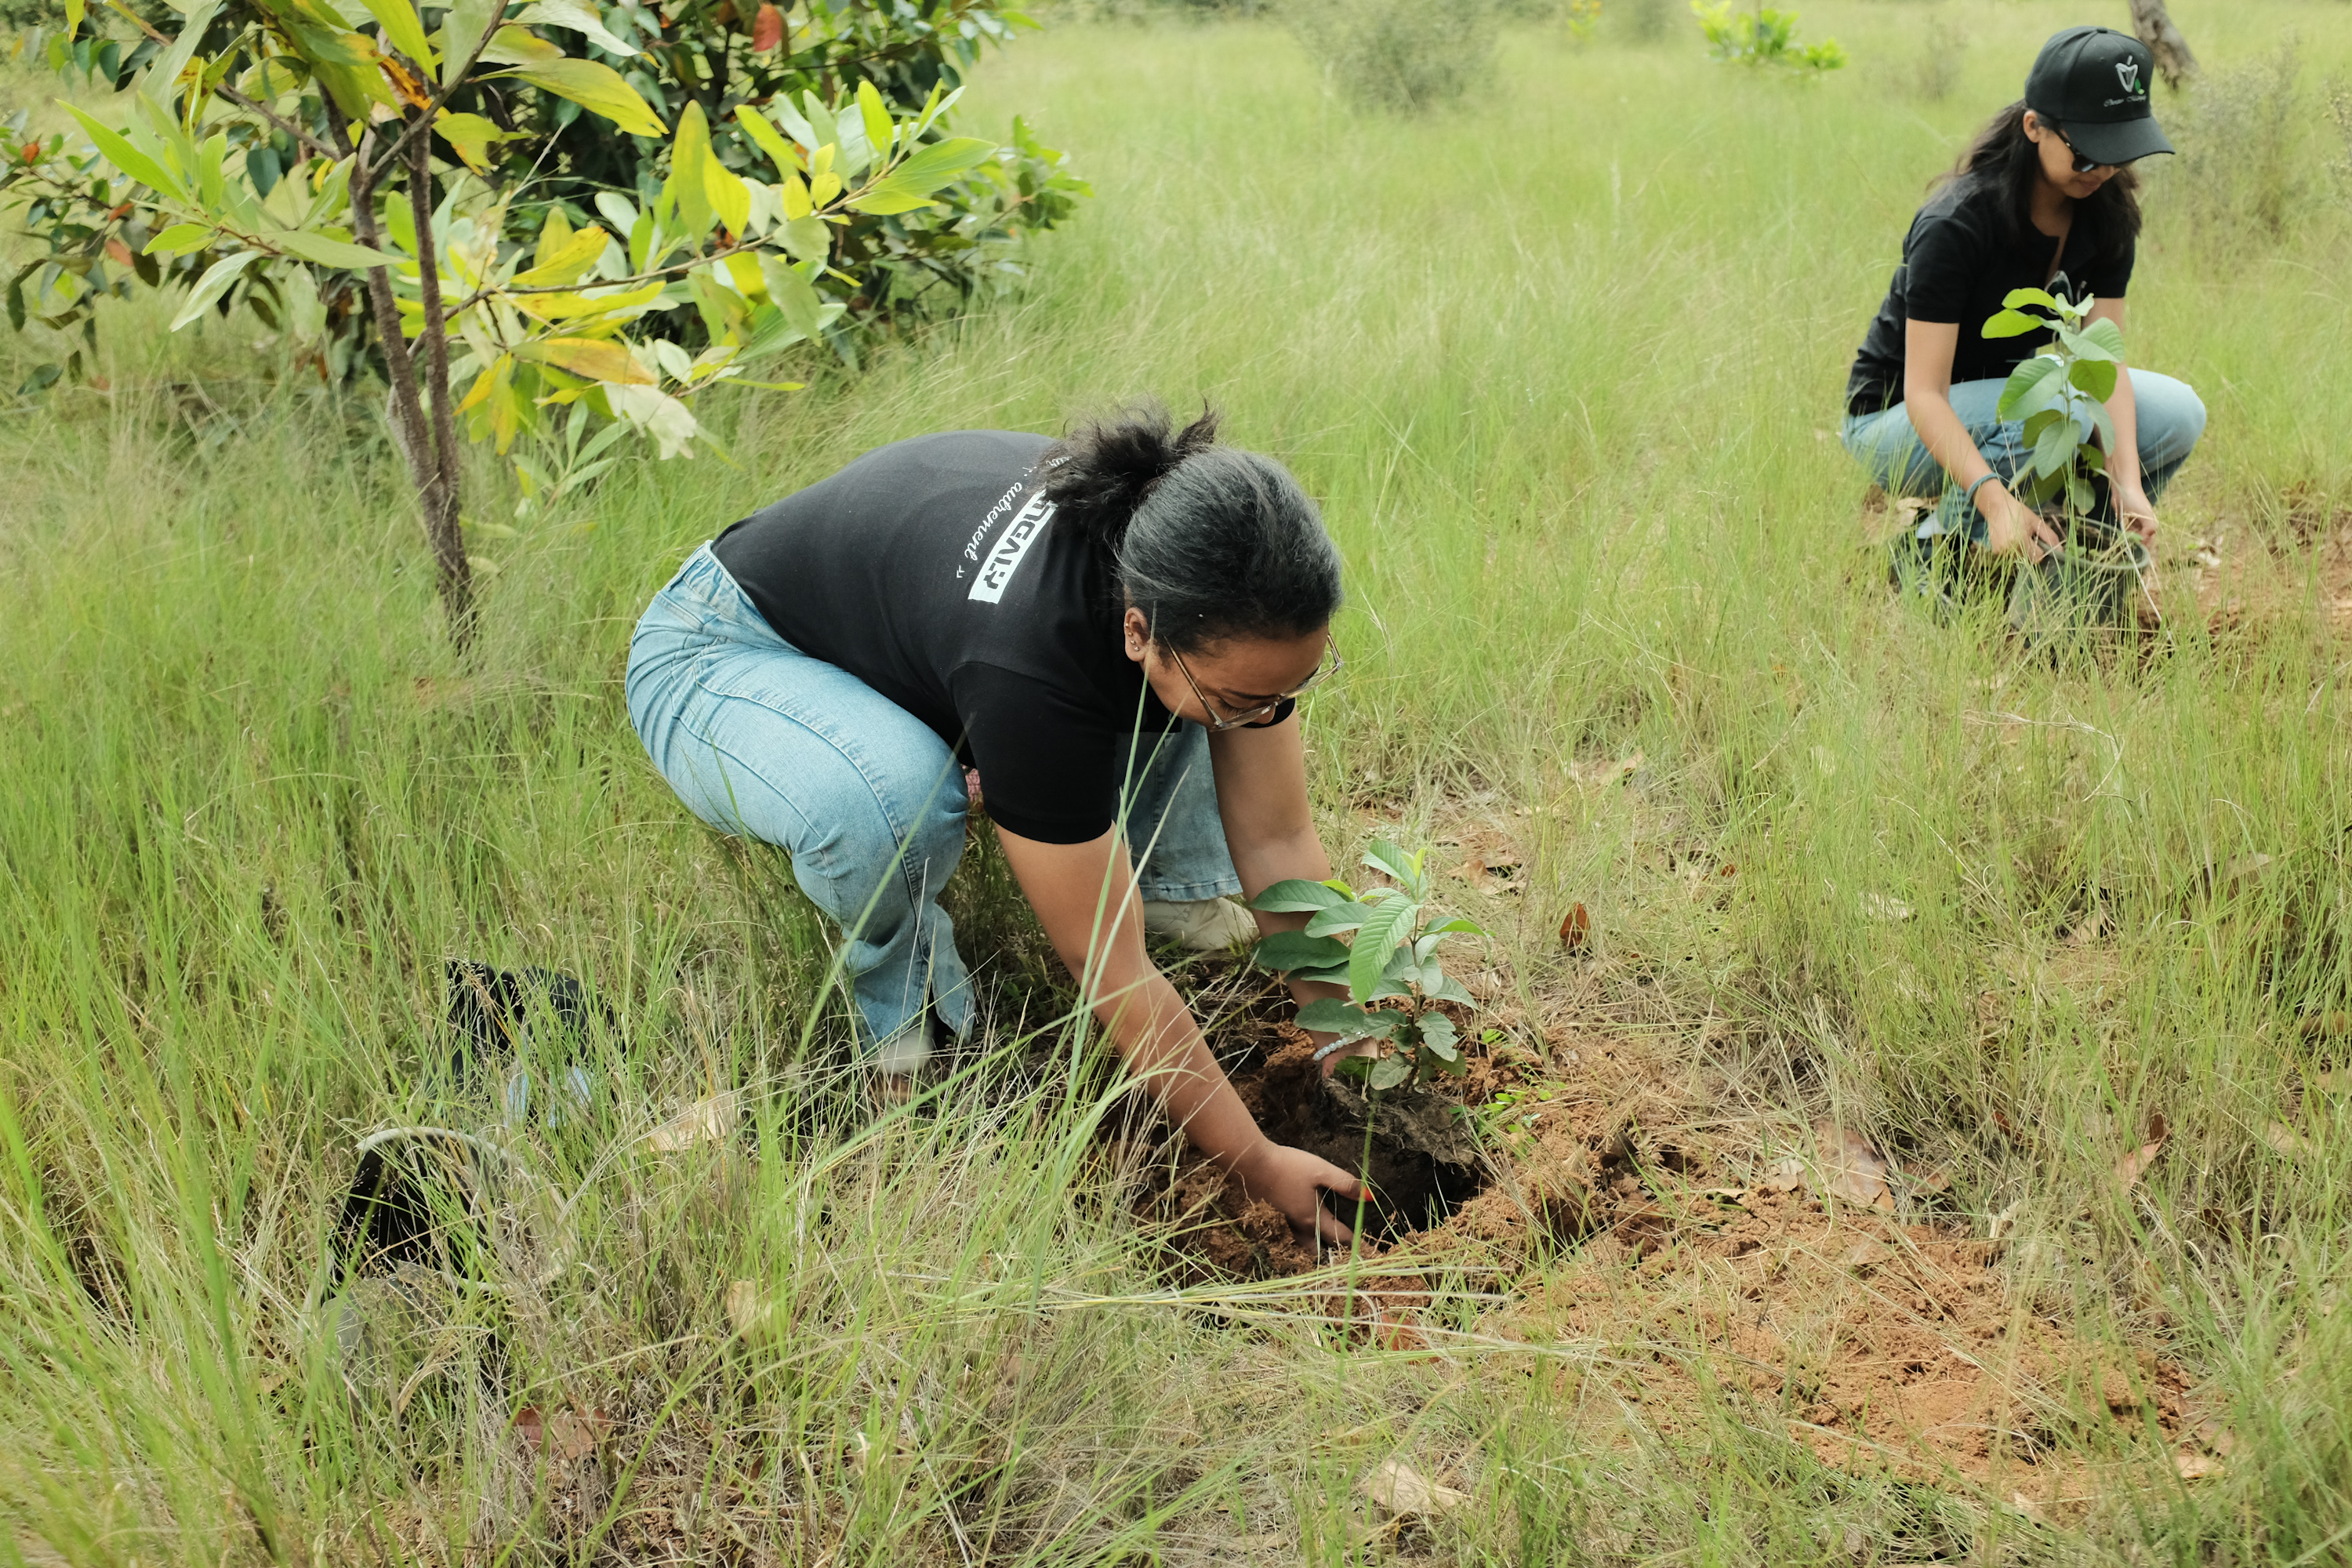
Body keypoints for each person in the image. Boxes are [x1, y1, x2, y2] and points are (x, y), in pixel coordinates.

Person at [626, 405, 1369, 1242]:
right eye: (1247, 699)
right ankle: (911, 1044)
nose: (1267, 716)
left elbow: (1277, 839)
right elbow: (1111, 969)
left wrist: (1346, 1037)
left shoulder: (1201, 562)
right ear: (1136, 629)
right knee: (892, 806)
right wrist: (1256, 1162)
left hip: (921, 631)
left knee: (1206, 701)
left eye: (1290, 689)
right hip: (723, 649)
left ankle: (1163, 889)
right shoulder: (1030, 664)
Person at [1842, 24, 2205, 583]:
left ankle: (2073, 557)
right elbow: (1923, 393)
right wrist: (1994, 501)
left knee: (2179, 413)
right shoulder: (1956, 224)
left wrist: (2127, 480)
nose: (2103, 170)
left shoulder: (2107, 215)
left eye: (2118, 151)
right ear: (2035, 127)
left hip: (2004, 410)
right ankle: (1934, 554)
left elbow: (2104, 361)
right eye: (2087, 154)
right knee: (2060, 407)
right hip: (1894, 425)